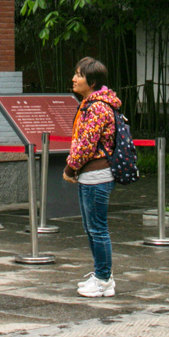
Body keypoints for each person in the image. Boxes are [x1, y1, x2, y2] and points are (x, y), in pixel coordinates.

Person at [62, 56, 121, 298]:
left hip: (97, 174)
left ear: (92, 81)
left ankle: (104, 279)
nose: (74, 79)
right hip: (91, 174)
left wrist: (69, 168)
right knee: (92, 227)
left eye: (79, 75)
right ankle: (100, 274)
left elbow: (86, 145)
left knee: (97, 228)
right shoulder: (92, 103)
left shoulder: (97, 107)